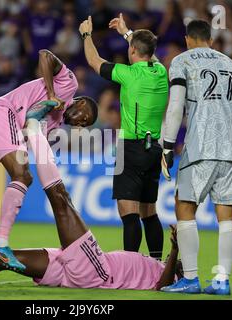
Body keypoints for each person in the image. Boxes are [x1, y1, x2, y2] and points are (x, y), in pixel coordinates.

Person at [0, 120, 182, 292]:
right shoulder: (156, 263)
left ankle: (35, 130)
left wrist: (175, 252)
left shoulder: (167, 275)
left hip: (97, 270)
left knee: (60, 198)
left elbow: (162, 286)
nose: (184, 264)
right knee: (4, 259)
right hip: (72, 268)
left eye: (184, 268)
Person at [0, 49, 98, 273]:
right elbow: (44, 55)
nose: (82, 122)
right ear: (79, 101)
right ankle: (1, 244)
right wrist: (52, 93)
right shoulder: (69, 85)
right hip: (2, 112)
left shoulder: (55, 123)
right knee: (22, 175)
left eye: (86, 124)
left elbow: (27, 131)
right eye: (85, 115)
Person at [160, 20, 232, 295]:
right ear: (210, 40)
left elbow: (176, 105)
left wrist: (167, 145)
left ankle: (190, 278)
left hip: (201, 146)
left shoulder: (181, 61)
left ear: (188, 39)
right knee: (227, 214)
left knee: (184, 207)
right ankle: (222, 280)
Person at [79, 14, 168, 260]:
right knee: (149, 212)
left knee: (129, 215)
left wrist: (86, 34)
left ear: (131, 51)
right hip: (154, 150)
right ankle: (157, 264)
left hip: (130, 147)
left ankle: (131, 268)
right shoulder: (160, 71)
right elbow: (147, 51)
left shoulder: (129, 74)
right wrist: (127, 32)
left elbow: (94, 61)